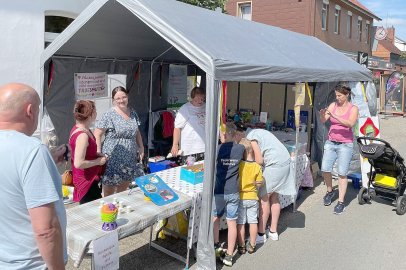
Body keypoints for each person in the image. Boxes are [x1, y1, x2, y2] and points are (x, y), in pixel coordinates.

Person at [0, 83, 67, 269]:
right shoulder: (32, 150)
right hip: (32, 263)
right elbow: (46, 230)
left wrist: (49, 161)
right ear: (30, 111)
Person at [235, 123, 295, 244]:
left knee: (264, 199)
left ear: (239, 133)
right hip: (285, 161)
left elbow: (259, 160)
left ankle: (261, 234)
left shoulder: (251, 137)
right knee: (274, 197)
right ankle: (273, 231)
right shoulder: (257, 131)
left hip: (275, 165)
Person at [94, 86, 144, 197]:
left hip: (129, 156)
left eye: (124, 97)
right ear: (113, 100)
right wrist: (98, 152)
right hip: (113, 158)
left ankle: (119, 209)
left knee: (123, 189)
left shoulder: (133, 113)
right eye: (118, 98)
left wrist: (141, 147)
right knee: (109, 192)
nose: (121, 100)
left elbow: (137, 132)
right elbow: (97, 133)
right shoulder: (109, 114)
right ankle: (108, 211)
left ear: (128, 97)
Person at [319, 84, 358, 215]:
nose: (337, 98)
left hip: (345, 145)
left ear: (346, 95)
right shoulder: (333, 105)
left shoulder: (353, 108)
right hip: (331, 142)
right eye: (336, 95)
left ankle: (341, 202)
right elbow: (324, 120)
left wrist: (335, 117)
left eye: (339, 95)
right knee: (325, 168)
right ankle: (330, 191)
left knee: (342, 173)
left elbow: (350, 124)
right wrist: (322, 115)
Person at [213, 122, 245, 267]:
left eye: (220, 134)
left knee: (216, 218)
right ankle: (230, 255)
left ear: (225, 134)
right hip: (233, 191)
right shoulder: (240, 149)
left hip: (219, 190)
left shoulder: (218, 149)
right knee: (232, 222)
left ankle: (215, 246)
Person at [69, 100, 107, 204]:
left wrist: (96, 155)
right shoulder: (82, 135)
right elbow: (78, 163)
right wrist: (98, 161)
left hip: (90, 179)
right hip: (86, 182)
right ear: (91, 114)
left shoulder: (83, 129)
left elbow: (85, 153)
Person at [236, 138, 263, 255]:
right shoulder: (257, 167)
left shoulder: (239, 165)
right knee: (253, 221)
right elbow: (259, 183)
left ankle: (241, 246)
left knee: (241, 222)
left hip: (241, 197)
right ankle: (252, 244)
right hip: (253, 197)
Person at [170, 86, 206, 157]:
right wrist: (175, 145)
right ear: (192, 97)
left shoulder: (206, 106)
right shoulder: (185, 109)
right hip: (190, 148)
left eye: (202, 99)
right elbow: (177, 128)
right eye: (197, 99)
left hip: (205, 146)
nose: (200, 101)